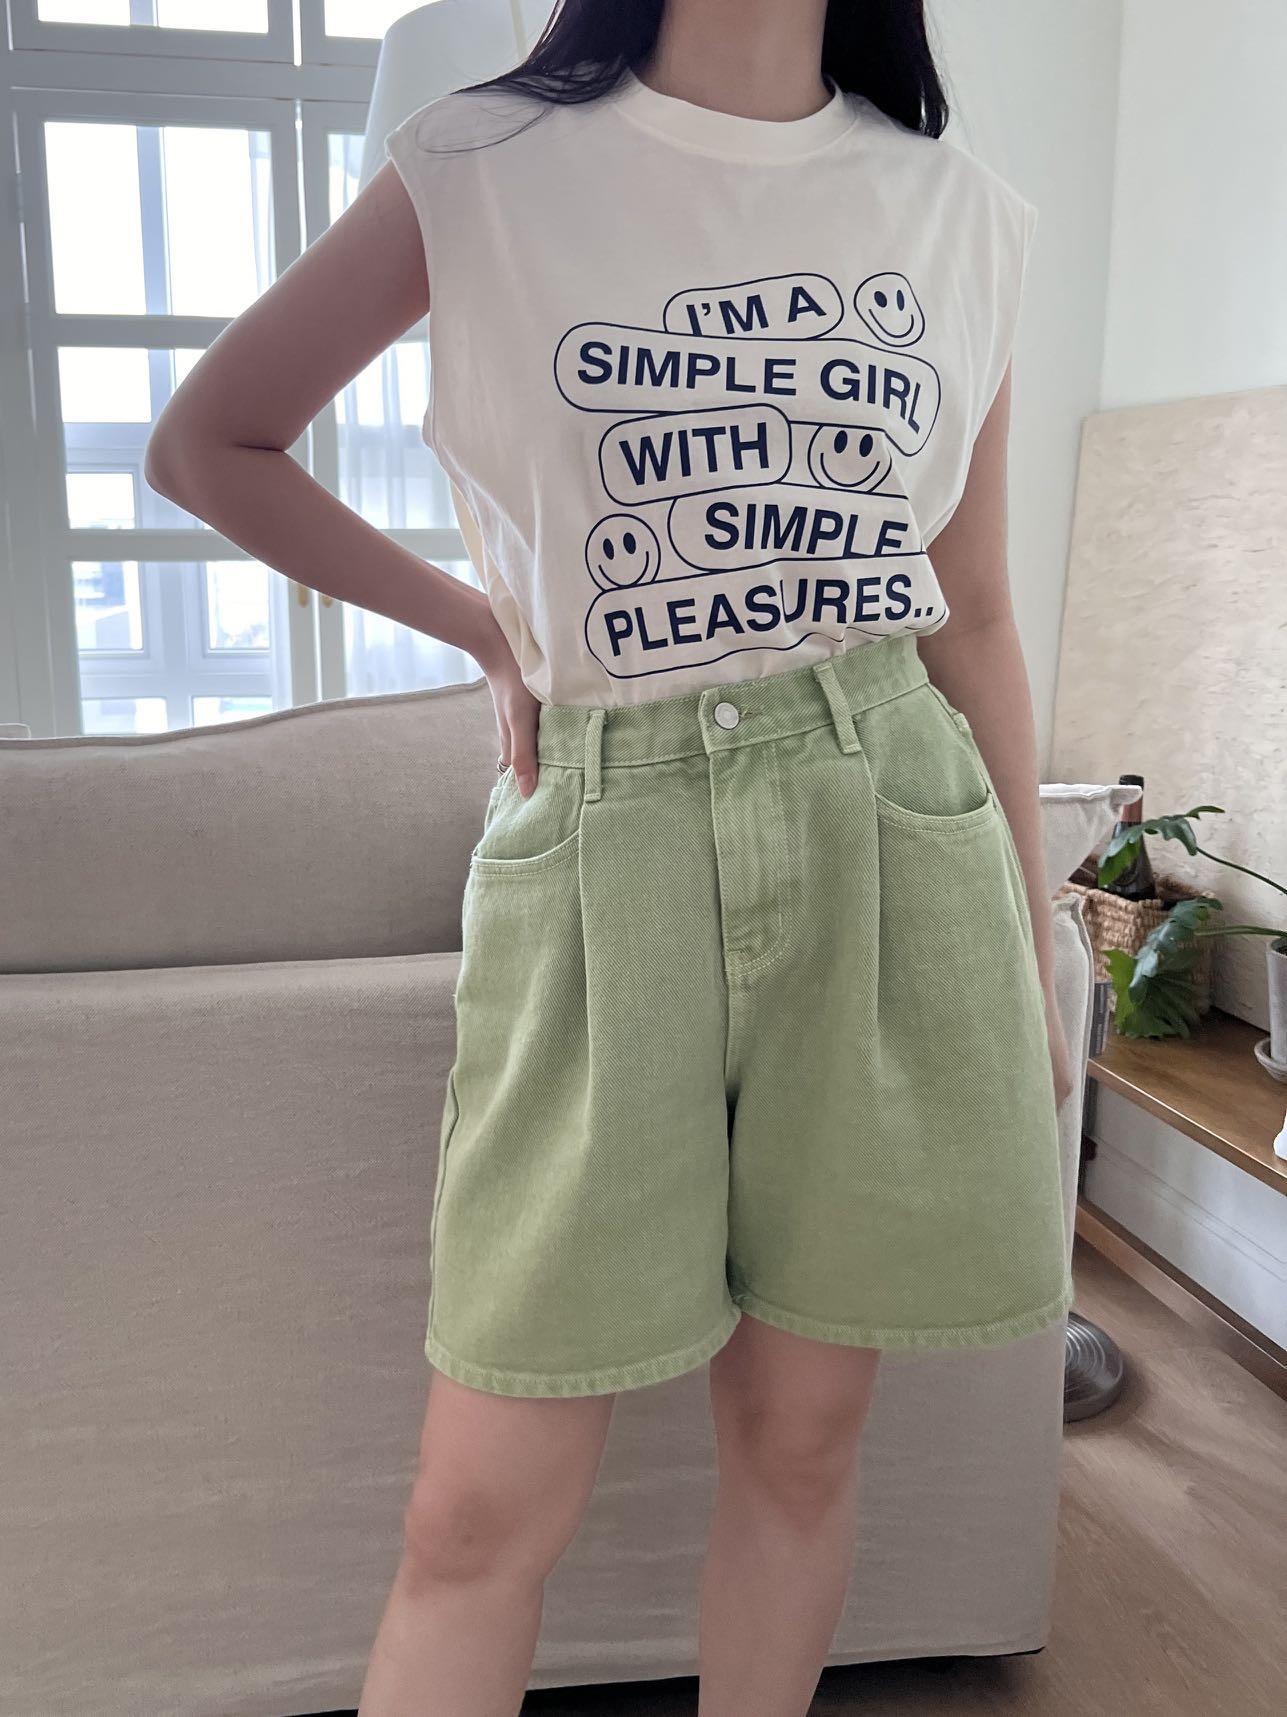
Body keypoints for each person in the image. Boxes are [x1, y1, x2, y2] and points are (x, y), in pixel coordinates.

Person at [144, 2, 1076, 1712]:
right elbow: (209, 442)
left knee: (802, 1439)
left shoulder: (960, 213)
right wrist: (485, 627)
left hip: (883, 828)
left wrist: (1026, 937)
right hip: (601, 838)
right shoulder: (482, 164)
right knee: (474, 1506)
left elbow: (977, 611)